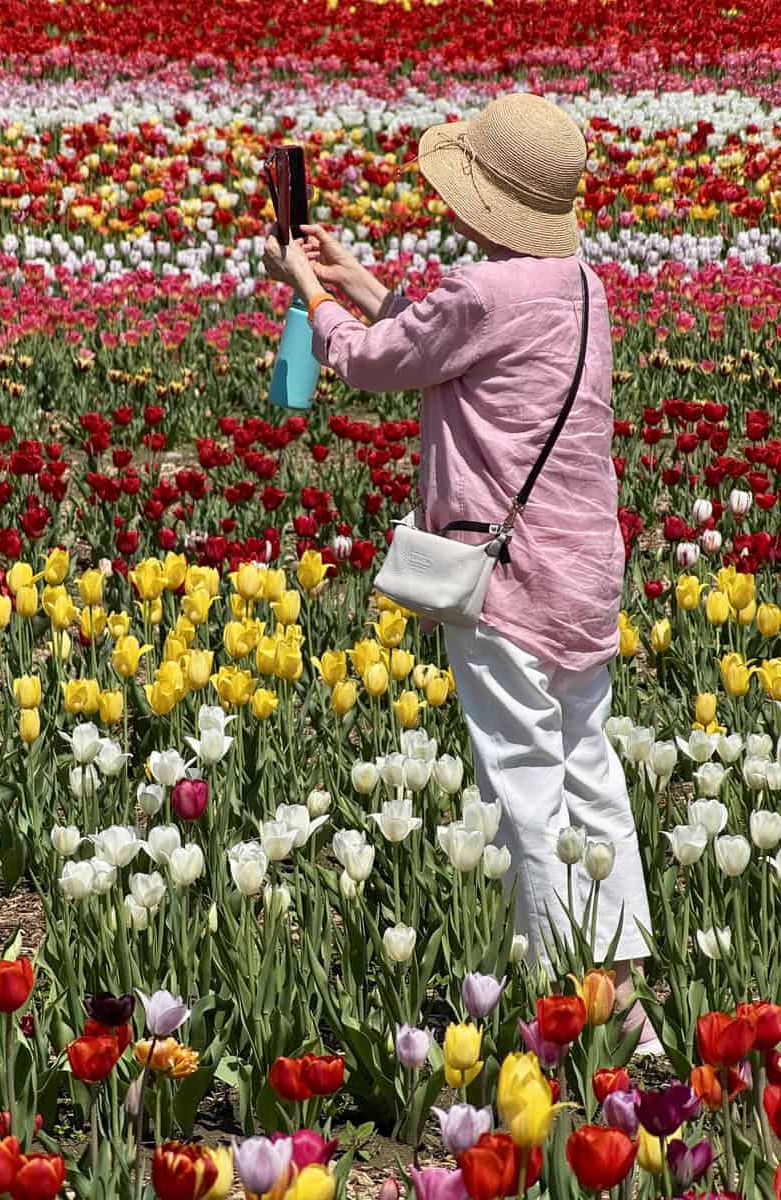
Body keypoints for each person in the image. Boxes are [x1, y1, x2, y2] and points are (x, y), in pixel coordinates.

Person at [262, 92, 658, 1053]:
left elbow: (368, 362)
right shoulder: (583, 285)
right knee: (588, 771)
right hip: (584, 572)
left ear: (481, 200)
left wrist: (308, 291)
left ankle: (561, 1003)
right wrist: (356, 276)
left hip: (505, 577)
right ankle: (630, 998)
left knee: (524, 785)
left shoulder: (479, 293)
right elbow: (442, 342)